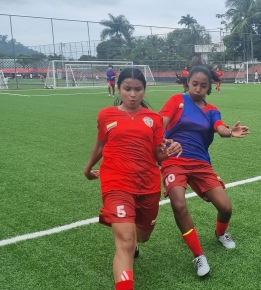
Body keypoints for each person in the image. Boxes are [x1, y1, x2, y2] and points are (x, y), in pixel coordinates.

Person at [83, 68, 182, 290]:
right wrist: (88, 168)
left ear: (144, 90)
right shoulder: (106, 115)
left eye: (138, 89)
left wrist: (168, 152)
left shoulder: (154, 119)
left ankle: (134, 243)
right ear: (119, 89)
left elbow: (157, 153)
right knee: (126, 241)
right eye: (127, 89)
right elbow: (100, 144)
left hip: (147, 184)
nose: (133, 94)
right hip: (116, 182)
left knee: (141, 237)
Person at [158, 64, 250, 277]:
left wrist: (230, 132)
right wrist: (159, 139)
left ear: (209, 88)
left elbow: (219, 127)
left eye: (203, 85)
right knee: (178, 204)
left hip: (201, 164)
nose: (198, 88)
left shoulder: (211, 110)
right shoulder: (177, 101)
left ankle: (221, 233)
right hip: (174, 160)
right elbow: (160, 123)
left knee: (225, 207)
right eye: (194, 84)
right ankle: (198, 255)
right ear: (188, 83)